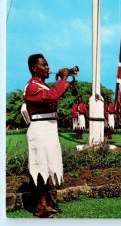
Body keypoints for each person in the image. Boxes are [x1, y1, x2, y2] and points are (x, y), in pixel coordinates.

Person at [22, 53, 72, 218]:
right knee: (39, 167)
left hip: (48, 128)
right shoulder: (32, 86)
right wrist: (63, 79)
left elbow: (54, 95)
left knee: (48, 166)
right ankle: (39, 207)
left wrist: (63, 80)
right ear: (34, 68)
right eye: (44, 65)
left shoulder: (42, 85)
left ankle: (45, 204)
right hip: (39, 129)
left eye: (48, 65)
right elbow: (52, 96)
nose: (48, 68)